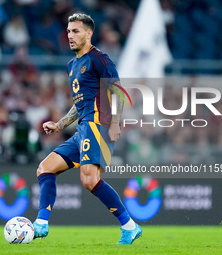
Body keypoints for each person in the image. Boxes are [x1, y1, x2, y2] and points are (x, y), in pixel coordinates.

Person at [32, 13, 142, 245]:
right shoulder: (72, 64)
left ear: (89, 33)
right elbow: (79, 103)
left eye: (76, 31)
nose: (70, 36)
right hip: (83, 127)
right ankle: (41, 223)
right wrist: (60, 124)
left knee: (89, 179)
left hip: (98, 125)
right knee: (45, 169)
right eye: (69, 31)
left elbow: (118, 91)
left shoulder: (99, 59)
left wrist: (114, 123)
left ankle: (129, 227)